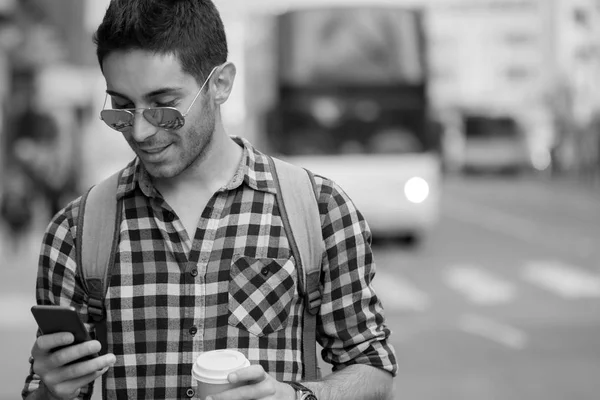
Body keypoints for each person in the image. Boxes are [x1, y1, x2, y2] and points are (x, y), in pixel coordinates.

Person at [22, 1, 397, 399]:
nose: (142, 131)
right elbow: (44, 388)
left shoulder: (319, 210)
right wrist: (51, 389)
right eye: (122, 108)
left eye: (164, 105)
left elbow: (372, 369)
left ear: (220, 84)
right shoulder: (76, 230)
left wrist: (293, 397)